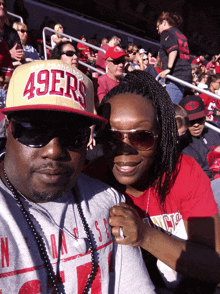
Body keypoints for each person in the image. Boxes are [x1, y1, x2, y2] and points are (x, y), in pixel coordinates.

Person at [0, 60, 156, 293]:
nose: (53, 150)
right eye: (33, 129)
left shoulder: (109, 201)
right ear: (8, 128)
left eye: (74, 134)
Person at [84, 71, 220, 292]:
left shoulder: (183, 171)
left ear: (162, 135)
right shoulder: (90, 181)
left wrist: (146, 236)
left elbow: (215, 266)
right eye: (112, 136)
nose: (125, 149)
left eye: (141, 136)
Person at [180, 95, 220, 180]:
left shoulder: (214, 129)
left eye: (200, 119)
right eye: (191, 121)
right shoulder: (184, 146)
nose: (196, 124)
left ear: (205, 117)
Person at [156, 12, 192, 104]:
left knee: (168, 112)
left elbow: (173, 49)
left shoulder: (166, 32)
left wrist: (168, 68)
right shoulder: (180, 33)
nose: (158, 31)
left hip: (176, 77)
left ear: (164, 22)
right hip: (186, 76)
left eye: (157, 27)